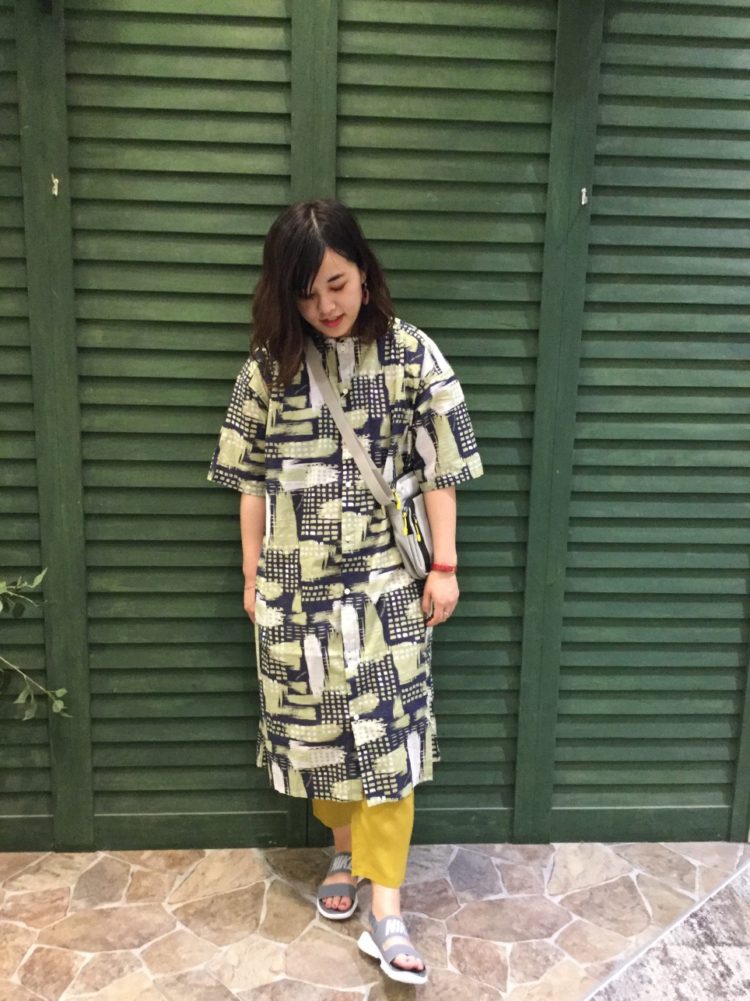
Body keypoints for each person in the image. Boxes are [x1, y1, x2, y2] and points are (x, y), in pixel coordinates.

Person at [207, 199, 483, 985]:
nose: (326, 305)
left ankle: (386, 910)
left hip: (389, 587)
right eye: (306, 293)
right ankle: (343, 851)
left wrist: (445, 565)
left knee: (391, 748)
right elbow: (250, 480)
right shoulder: (268, 369)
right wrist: (252, 575)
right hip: (297, 594)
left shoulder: (412, 355)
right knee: (318, 739)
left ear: (363, 269)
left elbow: (441, 466)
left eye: (336, 283)